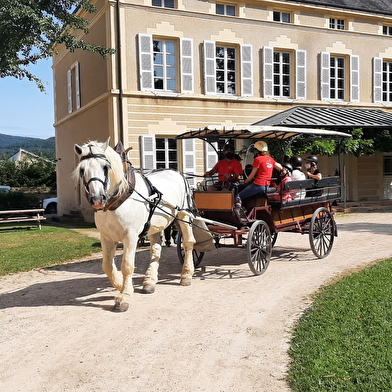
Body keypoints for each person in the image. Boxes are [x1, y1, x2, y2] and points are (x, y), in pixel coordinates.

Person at [234, 141, 282, 217]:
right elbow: (280, 167)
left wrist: (245, 181)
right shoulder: (270, 159)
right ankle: (245, 208)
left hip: (258, 184)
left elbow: (252, 175)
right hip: (266, 185)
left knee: (238, 196)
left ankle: (238, 213)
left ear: (257, 151)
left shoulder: (258, 159)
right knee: (240, 188)